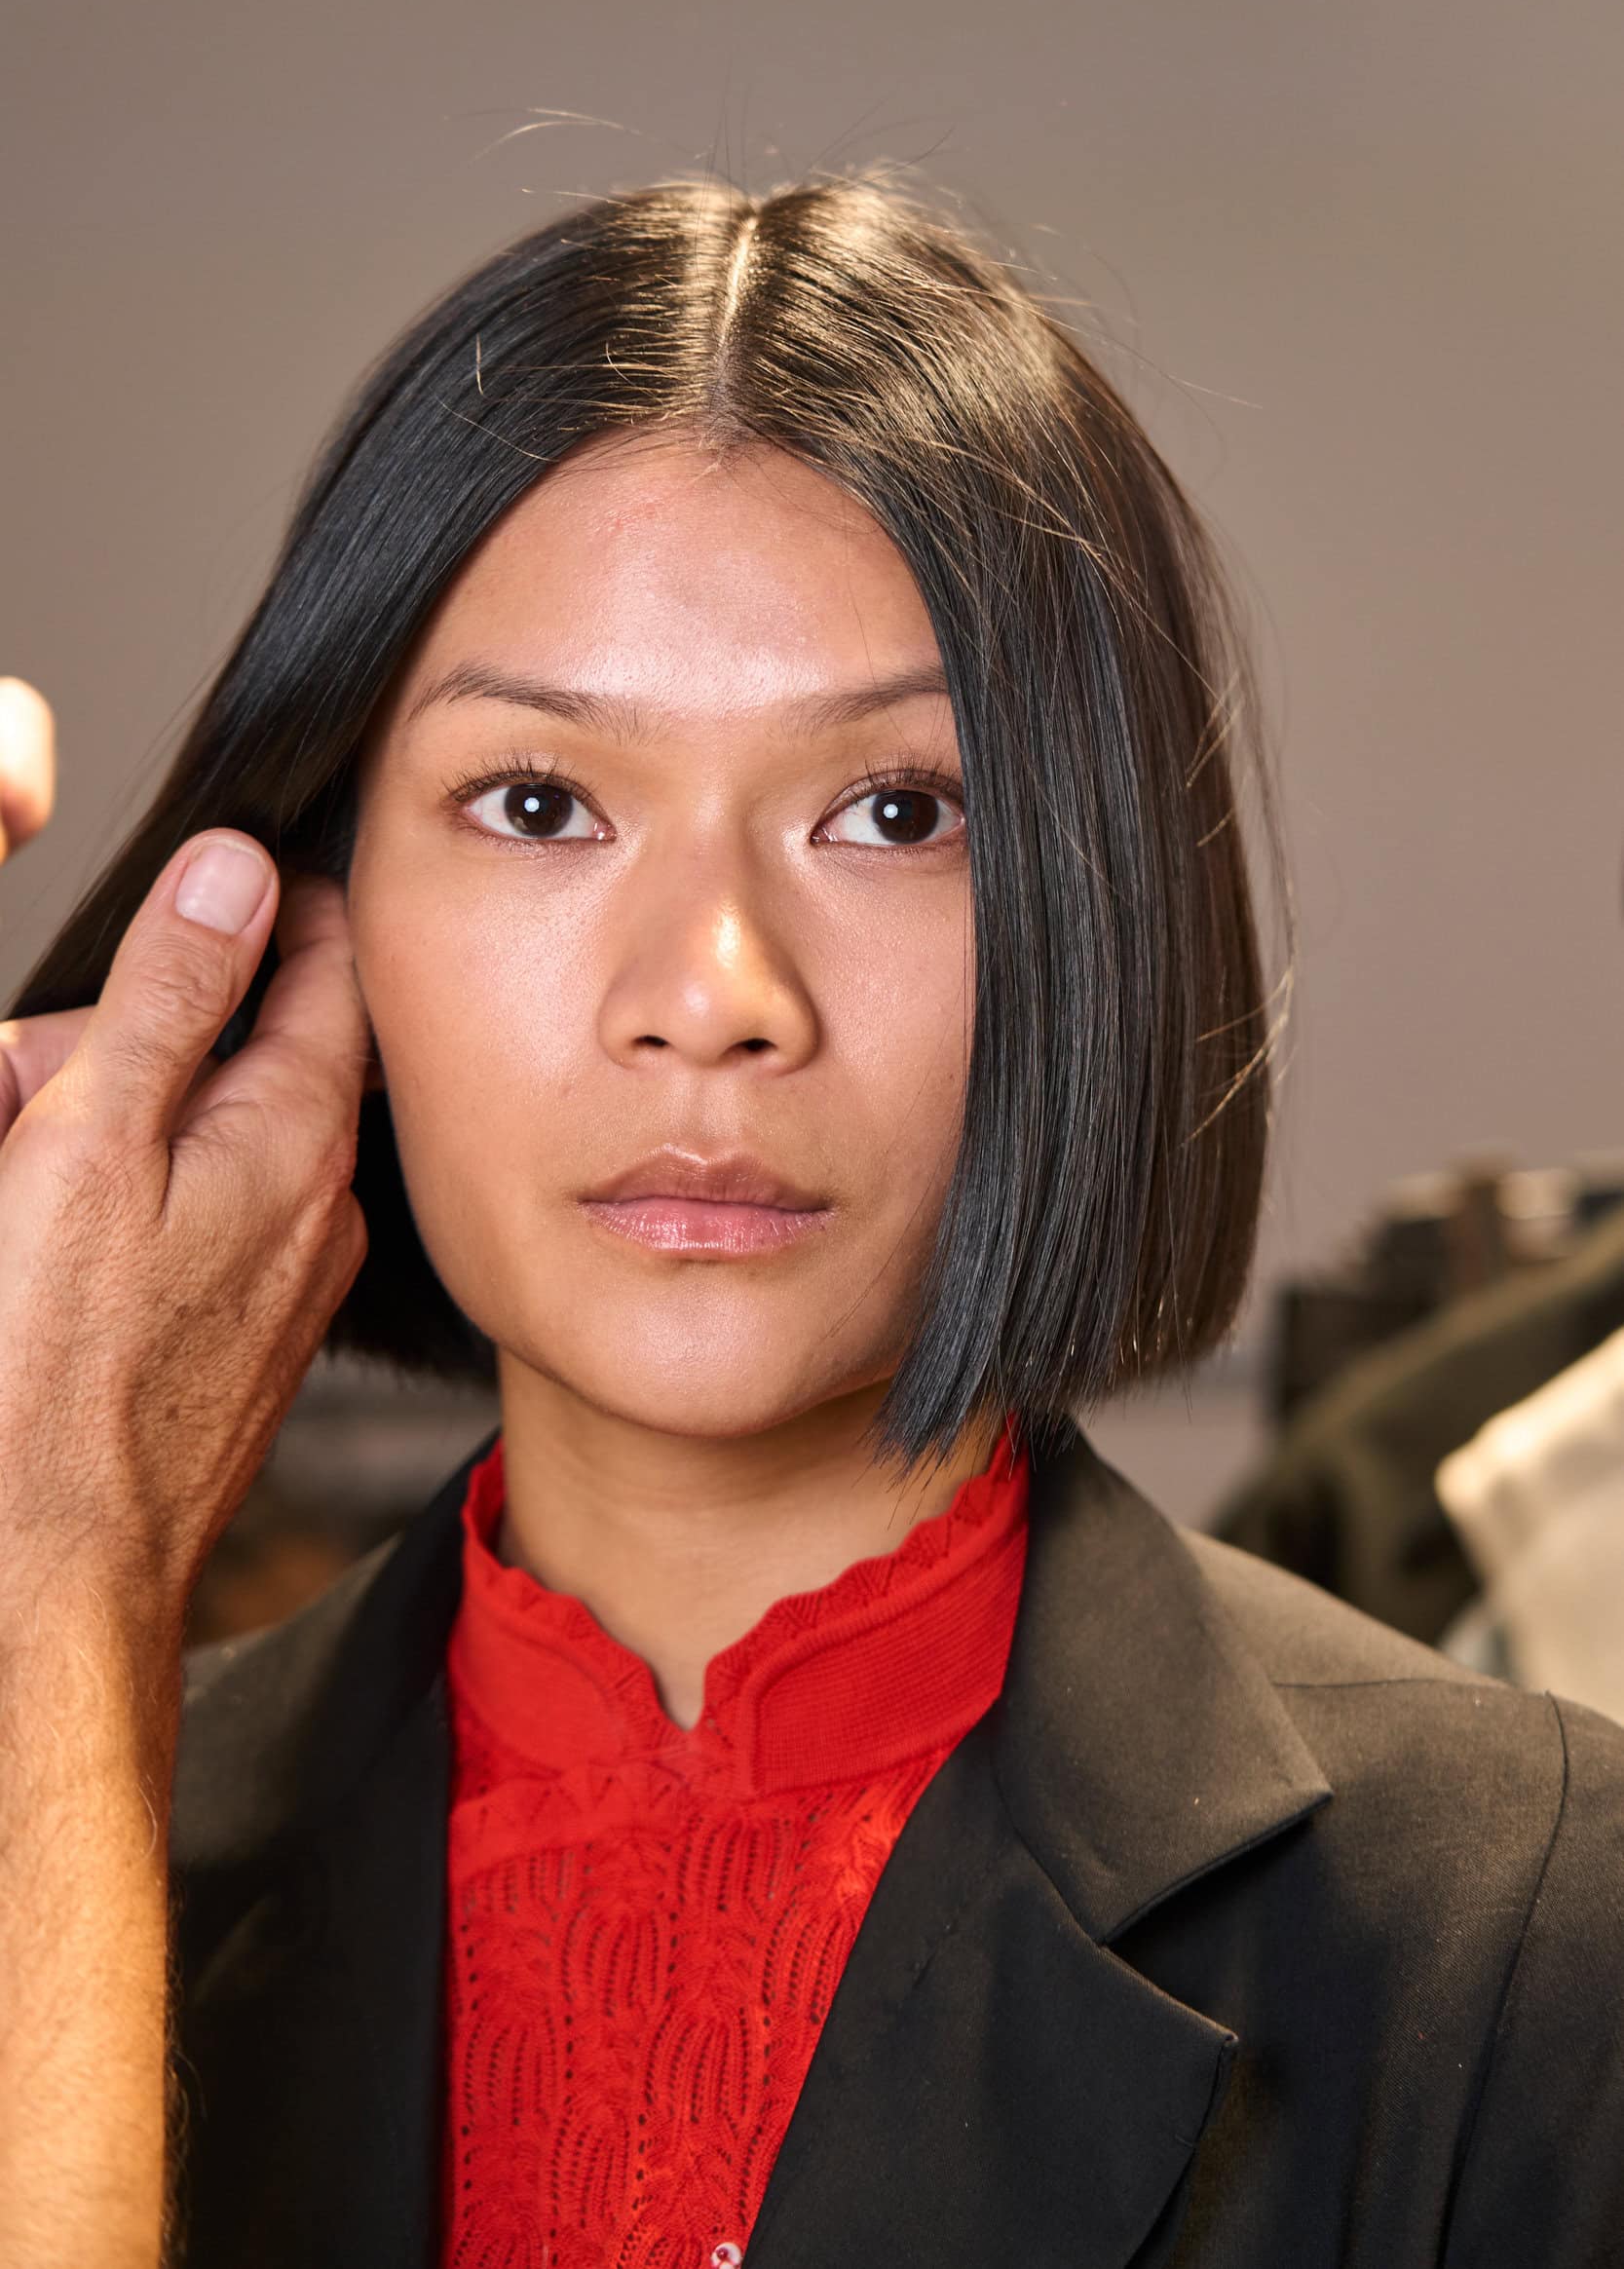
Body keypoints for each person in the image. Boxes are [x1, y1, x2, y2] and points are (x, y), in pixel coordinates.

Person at [1, 170, 1620, 2269]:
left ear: (1094, 918)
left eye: (894, 811)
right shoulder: (70, 1843)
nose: (714, 991)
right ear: (320, 930)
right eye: (540, 803)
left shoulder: (1530, 1938)